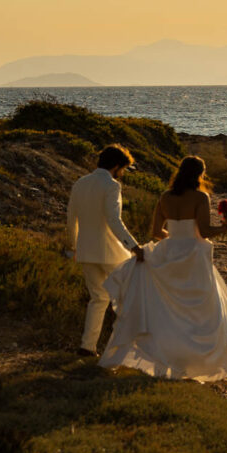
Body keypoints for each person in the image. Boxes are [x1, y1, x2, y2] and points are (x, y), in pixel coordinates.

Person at [99, 155, 227, 381]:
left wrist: (174, 240)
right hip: (193, 256)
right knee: (197, 311)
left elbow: (156, 231)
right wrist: (225, 227)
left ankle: (167, 360)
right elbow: (203, 231)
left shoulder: (165, 197)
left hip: (169, 251)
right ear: (199, 175)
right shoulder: (200, 197)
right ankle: (190, 363)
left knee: (166, 311)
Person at [67, 144, 144, 357]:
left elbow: (71, 218)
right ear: (117, 166)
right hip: (110, 251)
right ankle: (128, 349)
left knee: (98, 299)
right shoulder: (111, 185)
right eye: (123, 169)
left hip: (85, 250)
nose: (122, 174)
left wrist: (74, 246)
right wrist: (134, 246)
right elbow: (113, 220)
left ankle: (87, 346)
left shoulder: (80, 183)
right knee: (129, 296)